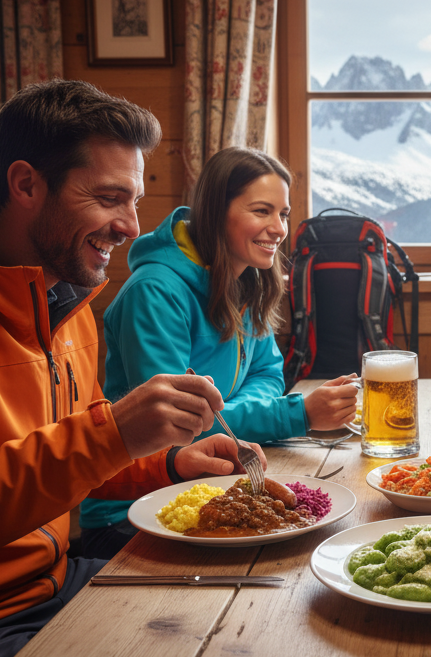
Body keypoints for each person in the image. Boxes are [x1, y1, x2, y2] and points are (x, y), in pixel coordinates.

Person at [0, 80, 266, 657]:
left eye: (133, 201)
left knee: (254, 614)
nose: (131, 227)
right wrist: (113, 433)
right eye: (110, 199)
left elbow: (69, 460)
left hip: (54, 579)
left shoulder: (63, 295)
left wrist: (166, 464)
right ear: (26, 185)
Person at [79, 147, 358, 558]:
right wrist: (295, 414)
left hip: (212, 486)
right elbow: (175, 425)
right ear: (215, 213)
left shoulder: (248, 280)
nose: (279, 228)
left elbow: (267, 372)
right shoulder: (155, 293)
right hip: (131, 515)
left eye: (283, 213)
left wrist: (228, 417)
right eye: (262, 211)